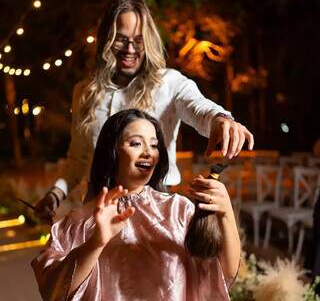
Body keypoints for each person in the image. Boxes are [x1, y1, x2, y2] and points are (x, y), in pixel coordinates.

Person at [35, 0, 254, 222]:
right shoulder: (84, 92)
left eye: (138, 40)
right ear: (107, 40)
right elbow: (78, 160)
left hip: (155, 212)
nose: (130, 48)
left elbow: (198, 107)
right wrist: (55, 194)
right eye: (120, 39)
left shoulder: (169, 83)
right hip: (97, 210)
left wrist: (219, 119)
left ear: (148, 41)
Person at [32, 109, 240, 300]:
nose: (148, 152)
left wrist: (225, 212)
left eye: (154, 145)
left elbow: (221, 276)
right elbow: (54, 291)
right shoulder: (79, 221)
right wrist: (96, 242)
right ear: (112, 150)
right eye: (136, 143)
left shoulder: (178, 210)